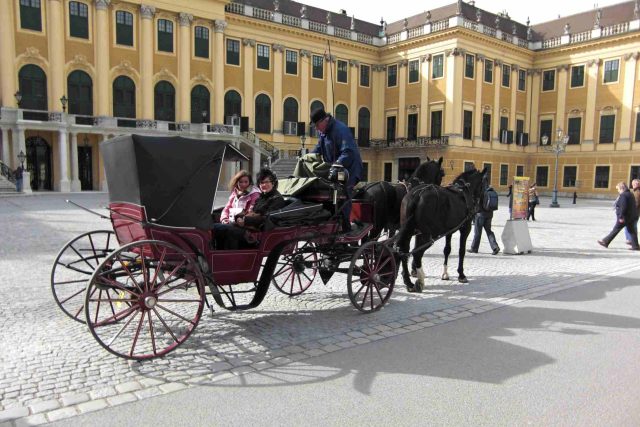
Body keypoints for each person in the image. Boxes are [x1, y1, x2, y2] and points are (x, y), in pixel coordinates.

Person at [310, 107, 363, 232]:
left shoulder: (341, 129)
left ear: (325, 120)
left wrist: (337, 164)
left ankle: (345, 227)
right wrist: (308, 157)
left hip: (349, 170)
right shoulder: (323, 132)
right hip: (333, 170)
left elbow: (348, 152)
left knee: (342, 194)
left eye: (317, 125)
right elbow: (318, 149)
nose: (317, 129)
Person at [216, 168, 286, 250]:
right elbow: (251, 212)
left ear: (273, 183)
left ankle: (229, 258)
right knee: (218, 227)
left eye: (267, 182)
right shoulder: (262, 197)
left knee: (224, 229)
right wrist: (239, 218)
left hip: (258, 233)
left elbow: (267, 218)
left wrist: (245, 221)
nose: (264, 185)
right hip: (249, 227)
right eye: (261, 182)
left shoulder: (277, 199)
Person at [598, 181, 639, 250]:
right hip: (631, 216)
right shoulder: (630, 194)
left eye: (618, 189)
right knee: (632, 231)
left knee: (616, 229)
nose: (618, 191)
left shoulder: (624, 195)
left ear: (622, 188)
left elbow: (623, 207)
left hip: (625, 217)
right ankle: (635, 246)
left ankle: (605, 242)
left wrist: (621, 217)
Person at [469, 180, 500, 255]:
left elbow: (477, 204)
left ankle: (474, 248)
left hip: (480, 215)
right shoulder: (491, 191)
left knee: (477, 232)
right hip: (489, 215)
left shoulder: (481, 192)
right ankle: (495, 247)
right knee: (489, 231)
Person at [624, 179, 640, 245]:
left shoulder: (637, 192)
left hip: (634, 213)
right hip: (636, 212)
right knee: (632, 226)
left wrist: (629, 210)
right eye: (633, 184)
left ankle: (631, 240)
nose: (633, 185)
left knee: (631, 226)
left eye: (634, 184)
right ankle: (631, 240)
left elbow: (636, 203)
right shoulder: (635, 191)